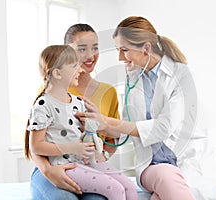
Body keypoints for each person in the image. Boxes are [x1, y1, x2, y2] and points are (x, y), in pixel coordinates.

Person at [76, 16, 201, 200]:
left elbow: (164, 128)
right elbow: (126, 127)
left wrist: (106, 121)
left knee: (166, 187)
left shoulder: (181, 75)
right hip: (151, 165)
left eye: (124, 50)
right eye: (118, 50)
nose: (119, 58)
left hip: (186, 161)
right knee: (166, 176)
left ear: (146, 48)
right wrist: (98, 126)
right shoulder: (133, 77)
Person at [24, 44, 138, 200]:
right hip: (66, 166)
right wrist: (72, 147)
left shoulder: (78, 102)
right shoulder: (43, 106)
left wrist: (94, 134)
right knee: (115, 190)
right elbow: (36, 146)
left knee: (129, 187)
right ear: (57, 73)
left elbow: (86, 134)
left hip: (87, 162)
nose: (81, 69)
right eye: (74, 66)